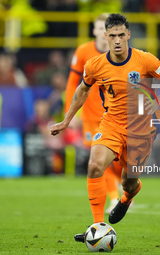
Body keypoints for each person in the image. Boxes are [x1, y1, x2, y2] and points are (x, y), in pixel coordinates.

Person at [50, 13, 160, 242]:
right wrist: (67, 120)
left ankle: (128, 196)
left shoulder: (145, 60)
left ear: (128, 34)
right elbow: (82, 90)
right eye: (113, 36)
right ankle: (96, 227)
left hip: (141, 129)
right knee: (94, 165)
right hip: (111, 123)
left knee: (128, 181)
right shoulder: (94, 65)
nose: (118, 40)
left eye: (122, 35)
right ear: (106, 36)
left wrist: (157, 101)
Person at [65, 13, 121, 214]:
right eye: (98, 28)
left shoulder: (121, 53)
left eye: (104, 29)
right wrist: (69, 114)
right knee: (98, 159)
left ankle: (122, 191)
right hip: (90, 116)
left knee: (115, 160)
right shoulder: (83, 52)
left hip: (116, 116)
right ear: (94, 31)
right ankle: (115, 198)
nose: (101, 32)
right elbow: (73, 83)